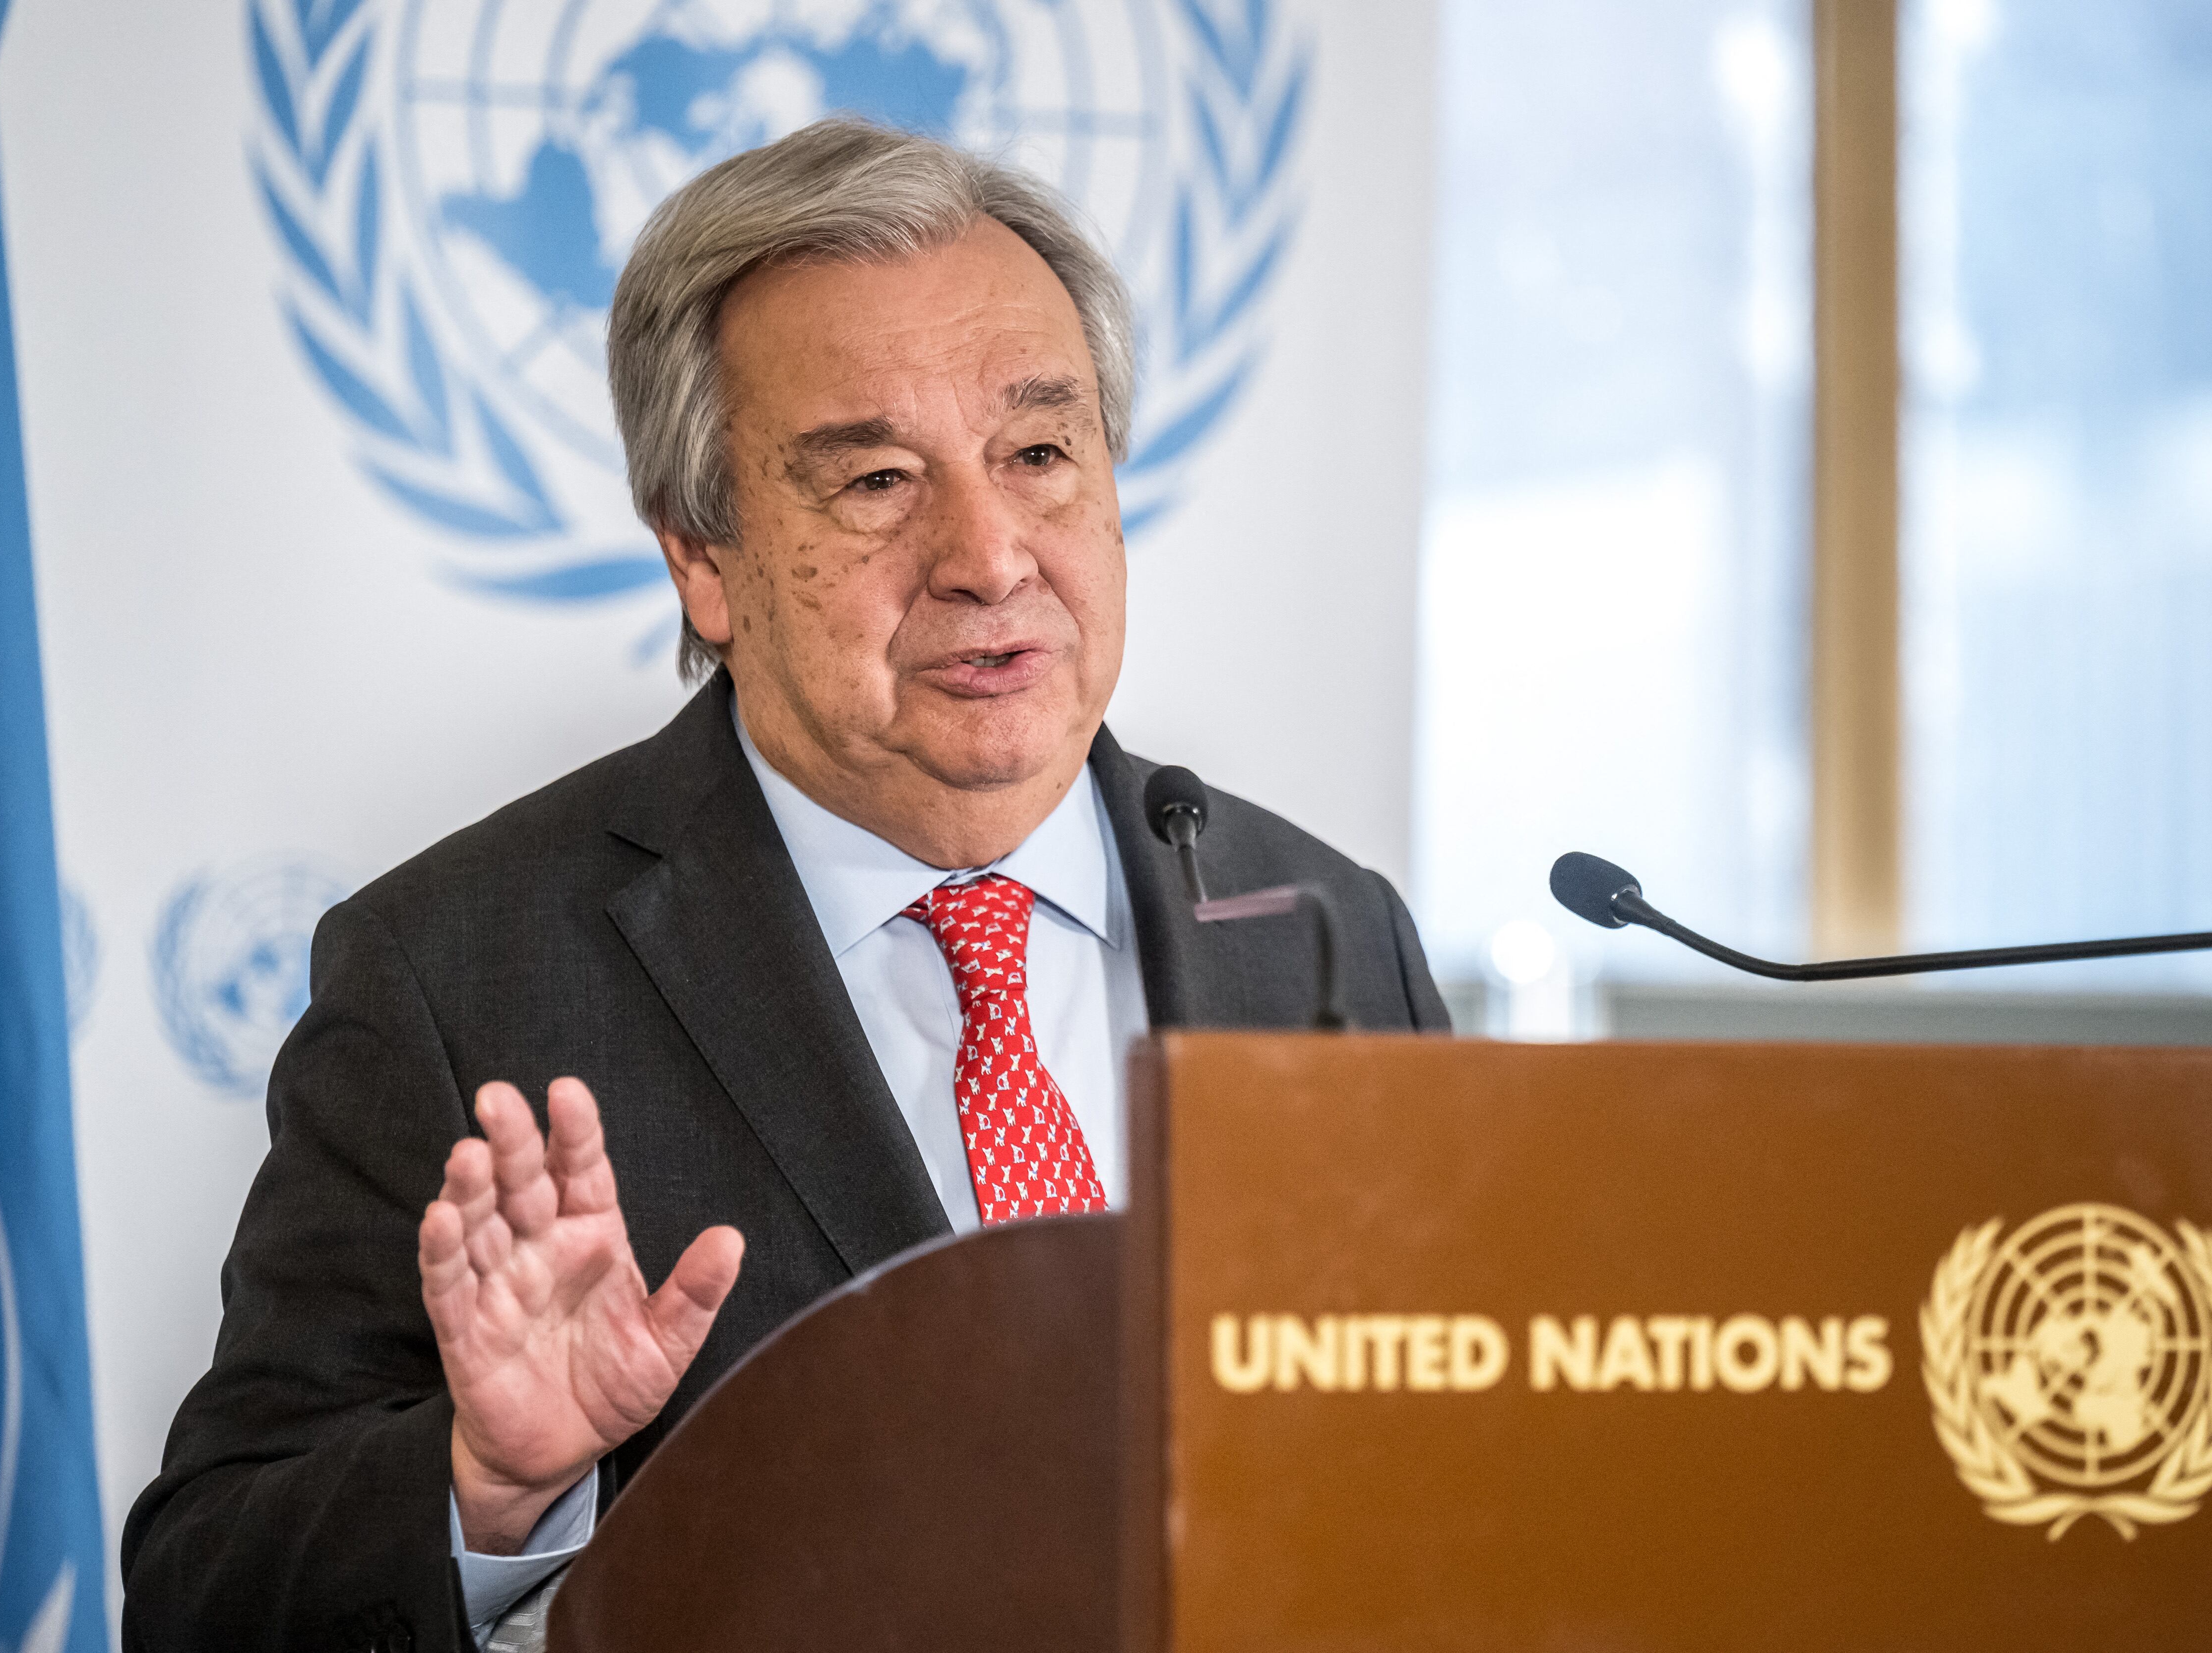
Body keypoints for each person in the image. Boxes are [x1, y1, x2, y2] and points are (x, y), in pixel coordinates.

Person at [120, 117, 1449, 1653]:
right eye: (879, 480)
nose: (990, 554)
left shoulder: (1324, 929)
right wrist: (489, 1487)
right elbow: (199, 1593)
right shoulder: (456, 976)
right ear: (705, 557)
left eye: (1039, 452)